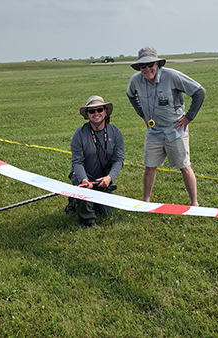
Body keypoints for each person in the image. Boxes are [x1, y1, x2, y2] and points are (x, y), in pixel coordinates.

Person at [126, 46, 206, 206]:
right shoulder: (135, 80)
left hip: (175, 130)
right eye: (143, 66)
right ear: (139, 67)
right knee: (149, 166)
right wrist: (142, 114)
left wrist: (189, 117)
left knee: (185, 167)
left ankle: (194, 203)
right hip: (154, 131)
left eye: (150, 65)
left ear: (157, 64)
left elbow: (199, 92)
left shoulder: (172, 76)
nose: (147, 68)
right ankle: (146, 201)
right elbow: (130, 95)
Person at [67, 95, 125, 226]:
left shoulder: (115, 133)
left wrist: (109, 177)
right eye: (91, 111)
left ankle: (74, 200)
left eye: (99, 110)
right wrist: (83, 180)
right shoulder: (79, 134)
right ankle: (88, 221)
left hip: (103, 178)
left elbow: (119, 159)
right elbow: (77, 162)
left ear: (105, 112)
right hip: (84, 176)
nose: (96, 113)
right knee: (84, 193)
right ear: (87, 115)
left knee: (105, 212)